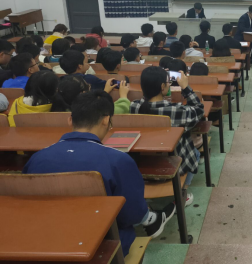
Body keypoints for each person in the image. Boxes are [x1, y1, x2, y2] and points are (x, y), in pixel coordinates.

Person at [23, 90, 175, 254]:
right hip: (102, 249)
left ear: (70, 119)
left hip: (44, 245)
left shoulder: (37, 159)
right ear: (106, 120)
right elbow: (133, 215)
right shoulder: (118, 160)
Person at [131, 67, 204, 206]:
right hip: (171, 162)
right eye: (167, 82)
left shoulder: (134, 106)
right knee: (195, 153)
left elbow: (144, 101)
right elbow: (199, 110)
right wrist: (186, 88)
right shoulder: (176, 110)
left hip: (143, 161)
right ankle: (182, 193)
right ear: (162, 86)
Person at [51, 74, 132, 115]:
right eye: (88, 86)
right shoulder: (94, 110)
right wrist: (123, 96)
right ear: (83, 93)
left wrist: (104, 92)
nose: (90, 85)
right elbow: (121, 109)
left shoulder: (58, 110)